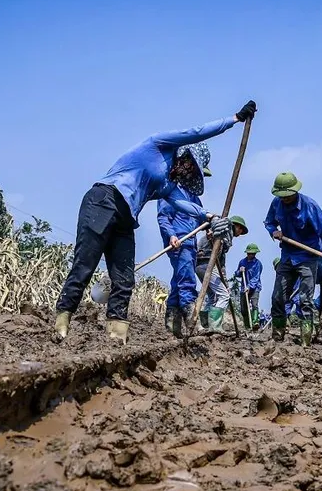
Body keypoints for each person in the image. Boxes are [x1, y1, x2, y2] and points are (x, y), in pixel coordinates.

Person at [53, 101, 257, 345]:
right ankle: (62, 321)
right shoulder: (157, 146)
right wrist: (233, 120)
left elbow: (183, 204)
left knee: (124, 278)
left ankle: (116, 336)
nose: (189, 173)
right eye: (191, 167)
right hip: (103, 200)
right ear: (185, 157)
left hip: (126, 218)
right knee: (85, 263)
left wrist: (211, 217)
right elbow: (195, 132)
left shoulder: (168, 186)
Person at [264, 172, 322, 346]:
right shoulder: (276, 204)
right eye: (281, 196)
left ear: (295, 192)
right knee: (278, 297)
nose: (284, 199)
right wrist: (274, 231)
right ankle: (277, 338)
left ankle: (305, 342)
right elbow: (269, 222)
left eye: (287, 196)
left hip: (308, 257)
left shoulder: (309, 206)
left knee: (305, 300)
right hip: (287, 255)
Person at [156, 177, 207, 338]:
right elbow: (163, 217)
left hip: (191, 244)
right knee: (187, 281)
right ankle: (193, 324)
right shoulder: (173, 193)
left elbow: (201, 219)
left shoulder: (194, 198)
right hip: (179, 243)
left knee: (178, 283)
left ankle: (172, 325)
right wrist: (171, 235)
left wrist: (210, 226)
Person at [196, 216, 249, 333]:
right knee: (224, 295)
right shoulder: (224, 230)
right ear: (237, 226)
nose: (240, 233)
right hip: (207, 263)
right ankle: (214, 326)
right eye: (241, 230)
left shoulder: (225, 236)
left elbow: (222, 262)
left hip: (200, 265)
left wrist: (225, 281)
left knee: (212, 296)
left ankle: (205, 326)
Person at [236, 243, 263, 330]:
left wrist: (249, 287)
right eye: (249, 253)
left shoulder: (258, 264)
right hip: (244, 288)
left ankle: (255, 322)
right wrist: (240, 271)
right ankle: (247, 326)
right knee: (244, 308)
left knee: (254, 304)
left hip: (255, 288)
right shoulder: (242, 262)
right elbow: (236, 274)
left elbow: (256, 277)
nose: (251, 255)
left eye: (252, 253)